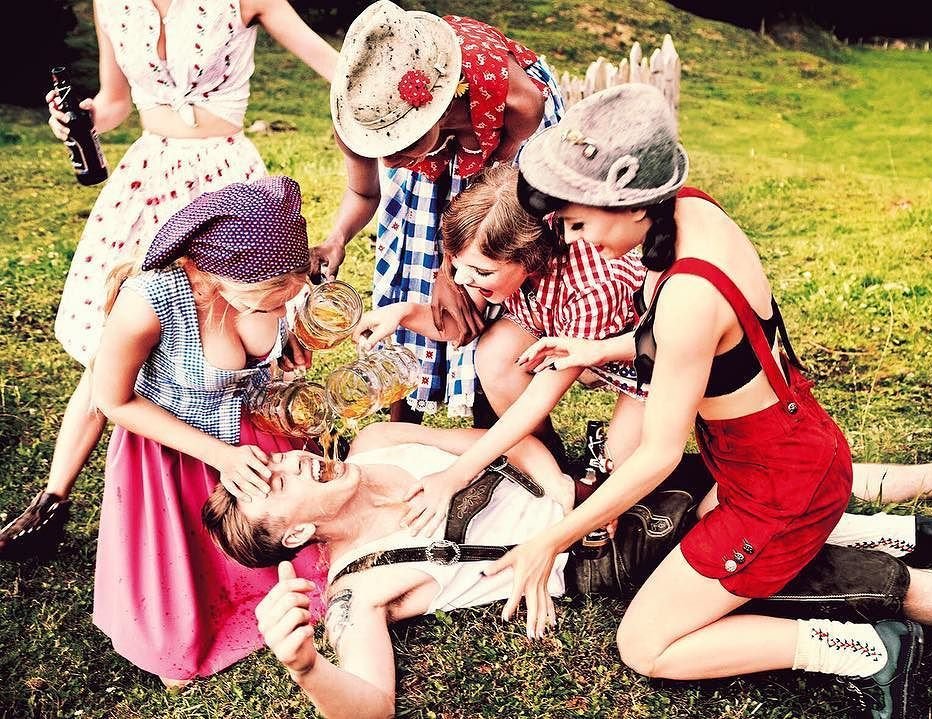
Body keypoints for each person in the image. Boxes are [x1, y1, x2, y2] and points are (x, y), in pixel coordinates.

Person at [446, 82, 932, 719]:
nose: (577, 240)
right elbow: (711, 346)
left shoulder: (687, 295)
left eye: (580, 223)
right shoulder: (691, 213)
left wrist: (549, 541)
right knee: (687, 531)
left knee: (644, 644)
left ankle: (870, 651)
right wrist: (600, 349)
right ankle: (887, 532)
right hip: (781, 447)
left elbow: (658, 454)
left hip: (774, 486)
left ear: (628, 201)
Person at [356, 165, 932, 563]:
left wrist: (458, 473)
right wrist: (406, 313)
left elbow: (543, 395)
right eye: (460, 269)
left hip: (661, 374)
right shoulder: (525, 268)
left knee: (714, 489)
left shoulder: (592, 285)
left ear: (529, 258)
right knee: (649, 480)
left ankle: (931, 496)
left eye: (478, 273)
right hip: (627, 358)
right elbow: (486, 331)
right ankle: (578, 480)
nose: (465, 284)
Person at [201, 425, 932, 719]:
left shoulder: (375, 441)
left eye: (272, 460)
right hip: (623, 553)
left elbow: (507, 439)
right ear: (294, 536)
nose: (292, 461)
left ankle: (924, 501)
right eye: (275, 485)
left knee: (777, 485)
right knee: (837, 574)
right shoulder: (357, 586)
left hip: (611, 488)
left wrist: (558, 492)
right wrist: (307, 666)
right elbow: (373, 706)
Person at [0, 0, 359, 561]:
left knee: (251, 329)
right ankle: (52, 499)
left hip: (224, 179)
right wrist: (83, 119)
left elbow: (335, 69)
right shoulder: (111, 3)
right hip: (150, 176)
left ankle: (265, 483)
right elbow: (116, 103)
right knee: (117, 342)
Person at [89, 176, 325, 685]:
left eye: (288, 295)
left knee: (310, 573)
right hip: (175, 453)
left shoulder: (266, 283)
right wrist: (221, 456)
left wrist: (283, 346)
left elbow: (268, 327)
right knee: (184, 619)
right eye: (270, 301)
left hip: (258, 435)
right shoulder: (149, 304)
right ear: (216, 275)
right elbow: (112, 400)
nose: (281, 307)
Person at [314, 0, 565, 421]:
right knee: (411, 258)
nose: (390, 161)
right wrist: (336, 238)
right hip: (451, 144)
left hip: (500, 173)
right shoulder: (362, 115)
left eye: (403, 143)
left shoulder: (518, 103)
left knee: (492, 264)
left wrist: (450, 270)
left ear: (440, 109)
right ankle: (403, 407)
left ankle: (493, 408)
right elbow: (363, 193)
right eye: (381, 146)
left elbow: (491, 199)